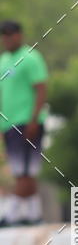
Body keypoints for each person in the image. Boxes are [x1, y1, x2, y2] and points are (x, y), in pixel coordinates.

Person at [0, 20, 48, 227]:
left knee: (25, 171)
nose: (7, 39)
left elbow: (41, 89)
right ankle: (33, 214)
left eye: (10, 35)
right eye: (4, 35)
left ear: (19, 35)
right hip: (8, 123)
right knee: (22, 170)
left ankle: (10, 214)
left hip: (27, 121)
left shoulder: (31, 57)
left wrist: (34, 119)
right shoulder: (3, 60)